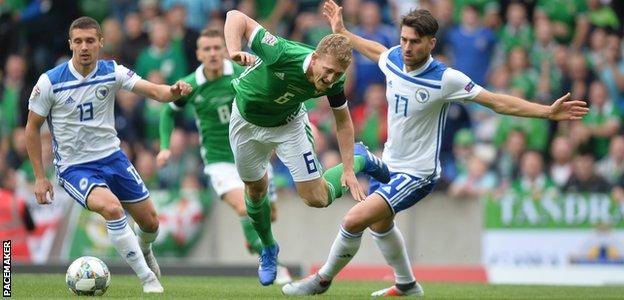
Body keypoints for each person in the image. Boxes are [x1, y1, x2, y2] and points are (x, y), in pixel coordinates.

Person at [282, 1, 589, 296]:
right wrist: (344, 32)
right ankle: (406, 285)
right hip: (391, 164)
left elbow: (496, 101)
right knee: (380, 223)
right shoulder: (393, 60)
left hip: (417, 174)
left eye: (415, 42)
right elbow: (376, 50)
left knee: (353, 219)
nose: (406, 47)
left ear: (431, 43)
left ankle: (321, 281)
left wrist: (547, 112)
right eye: (403, 39)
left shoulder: (446, 79)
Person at [24, 16, 193, 294]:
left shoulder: (111, 71)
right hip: (75, 167)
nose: (84, 47)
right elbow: (32, 129)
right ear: (70, 44)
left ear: (101, 43)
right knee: (112, 209)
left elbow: (153, 91)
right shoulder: (50, 82)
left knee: (150, 222)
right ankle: (148, 279)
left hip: (113, 158)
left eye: (90, 41)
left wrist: (173, 91)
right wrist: (40, 178)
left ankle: (145, 249)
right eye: (78, 41)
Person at [223, 9, 390, 286]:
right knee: (254, 189)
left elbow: (343, 122)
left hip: (289, 125)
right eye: (327, 70)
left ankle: (362, 158)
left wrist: (349, 167)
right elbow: (235, 16)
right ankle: (268, 248)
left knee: (316, 198)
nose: (329, 78)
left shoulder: (334, 81)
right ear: (314, 58)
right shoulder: (281, 52)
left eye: (337, 74)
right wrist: (233, 51)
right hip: (246, 124)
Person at [156, 28, 291, 284]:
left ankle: (253, 239)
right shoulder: (192, 84)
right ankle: (273, 259)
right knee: (245, 207)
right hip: (219, 162)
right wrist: (164, 146)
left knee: (268, 215)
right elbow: (168, 112)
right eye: (206, 49)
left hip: (253, 155)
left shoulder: (241, 73)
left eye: (217, 47)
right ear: (199, 54)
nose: (213, 53)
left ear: (225, 50)